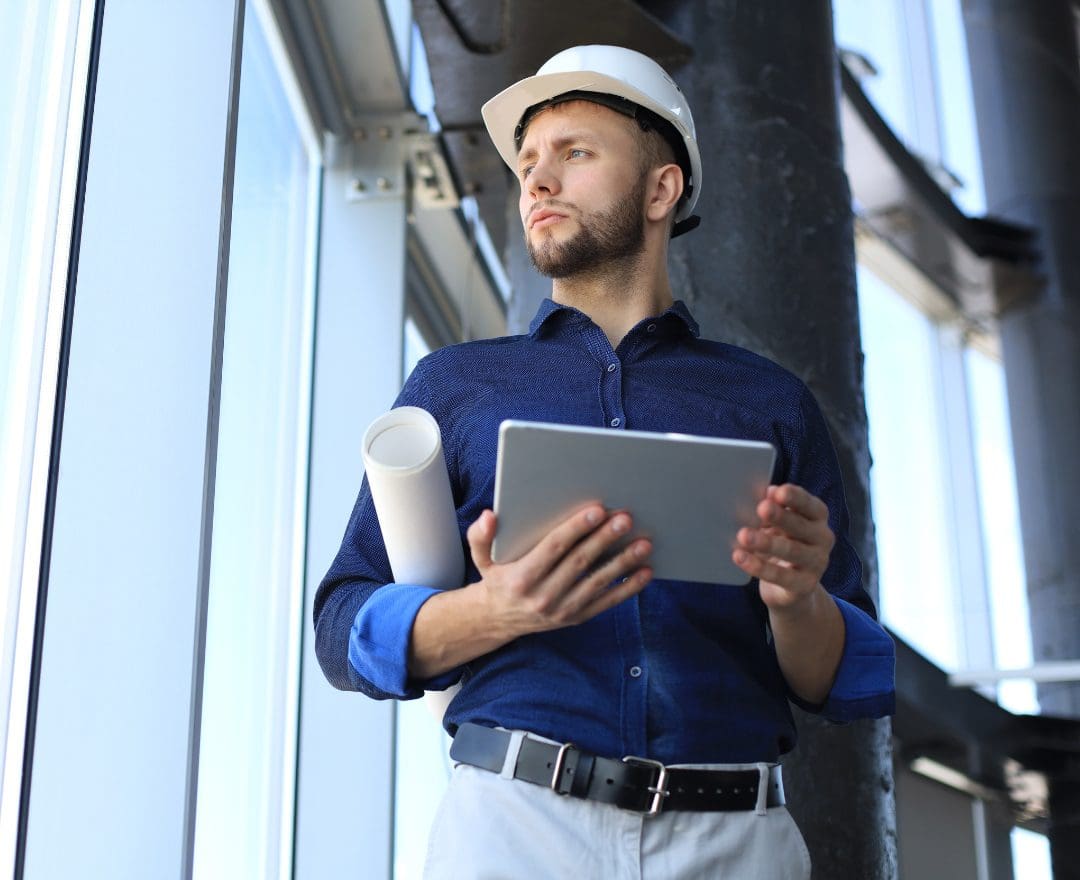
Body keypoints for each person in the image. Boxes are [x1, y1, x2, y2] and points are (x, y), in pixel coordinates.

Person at [314, 44, 895, 879]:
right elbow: (342, 627)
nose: (538, 182)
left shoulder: (770, 403)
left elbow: (841, 679)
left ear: (661, 190)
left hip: (734, 844)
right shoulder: (455, 384)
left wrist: (799, 598)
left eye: (574, 153)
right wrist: (496, 611)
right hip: (514, 830)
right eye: (528, 164)